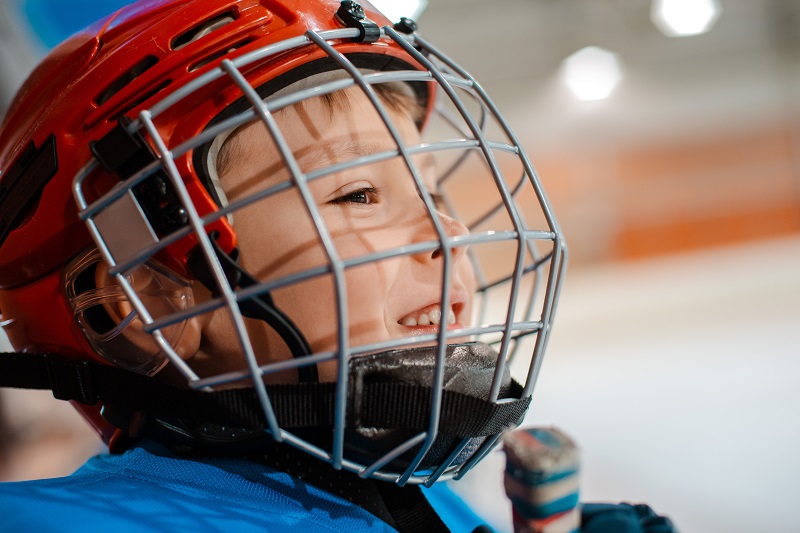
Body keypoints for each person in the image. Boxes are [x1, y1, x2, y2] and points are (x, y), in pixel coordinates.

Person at [0, 1, 675, 531]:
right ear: (149, 298)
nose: (448, 232)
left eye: (434, 192)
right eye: (358, 193)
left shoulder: (427, 503)